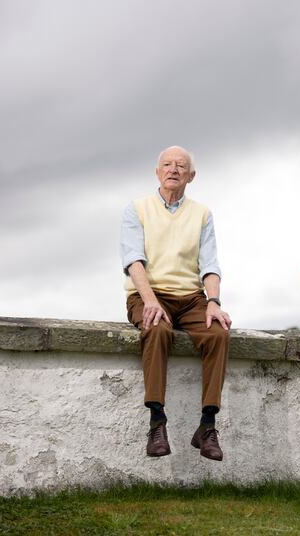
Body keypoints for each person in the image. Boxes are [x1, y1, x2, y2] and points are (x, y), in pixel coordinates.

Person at [120, 145, 231, 461]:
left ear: (191, 176)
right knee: (157, 329)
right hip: (148, 294)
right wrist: (150, 300)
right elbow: (133, 260)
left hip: (191, 298)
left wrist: (214, 302)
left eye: (181, 166)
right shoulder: (137, 209)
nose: (173, 169)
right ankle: (157, 421)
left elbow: (210, 265)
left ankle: (207, 426)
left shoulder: (202, 214)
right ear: (157, 172)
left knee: (219, 333)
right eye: (167, 164)